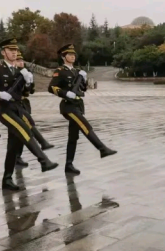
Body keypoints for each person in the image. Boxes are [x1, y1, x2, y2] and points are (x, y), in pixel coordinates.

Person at [0, 37, 59, 191]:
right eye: (11, 50)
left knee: (13, 146)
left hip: (18, 107)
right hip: (4, 109)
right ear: (3, 52)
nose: (14, 52)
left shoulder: (19, 71)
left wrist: (29, 82)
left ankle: (7, 179)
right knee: (24, 129)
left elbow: (26, 92)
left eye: (15, 50)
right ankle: (43, 161)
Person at [48, 43, 116, 175]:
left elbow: (83, 88)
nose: (73, 56)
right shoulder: (60, 71)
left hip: (78, 104)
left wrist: (83, 79)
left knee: (73, 137)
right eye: (69, 54)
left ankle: (69, 165)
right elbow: (51, 87)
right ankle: (102, 149)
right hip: (68, 106)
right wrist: (65, 93)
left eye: (74, 54)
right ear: (63, 57)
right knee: (85, 126)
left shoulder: (76, 71)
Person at [13, 49, 54, 168]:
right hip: (16, 104)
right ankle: (41, 144)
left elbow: (31, 91)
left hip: (25, 103)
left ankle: (18, 156)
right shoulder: (14, 73)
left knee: (24, 129)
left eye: (21, 60)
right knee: (23, 129)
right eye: (18, 60)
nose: (21, 62)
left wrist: (29, 82)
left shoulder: (26, 73)